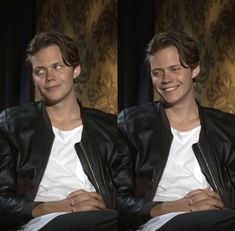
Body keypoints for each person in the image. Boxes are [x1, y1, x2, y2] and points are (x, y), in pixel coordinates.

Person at [117, 31, 235, 231]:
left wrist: (220, 204)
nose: (166, 79)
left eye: (174, 69)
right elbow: (115, 197)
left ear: (195, 69)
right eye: (157, 72)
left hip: (217, 218)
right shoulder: (131, 124)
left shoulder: (227, 128)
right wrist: (163, 208)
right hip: (158, 221)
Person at [0, 31, 118, 231]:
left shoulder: (109, 127)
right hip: (41, 221)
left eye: (57, 66)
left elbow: (134, 194)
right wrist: (50, 207)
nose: (49, 77)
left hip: (100, 218)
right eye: (40, 71)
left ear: (76, 70)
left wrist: (104, 203)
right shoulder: (11, 125)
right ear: (34, 78)